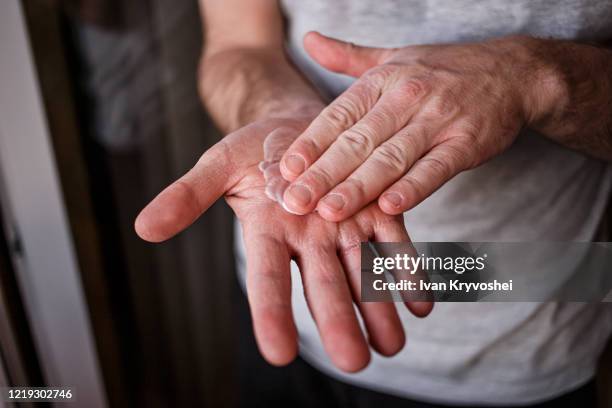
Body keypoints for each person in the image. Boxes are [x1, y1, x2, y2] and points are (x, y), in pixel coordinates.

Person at [135, 0, 612, 406]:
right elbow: (240, 44)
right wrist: (279, 113)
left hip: (526, 332)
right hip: (294, 291)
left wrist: (542, 79)